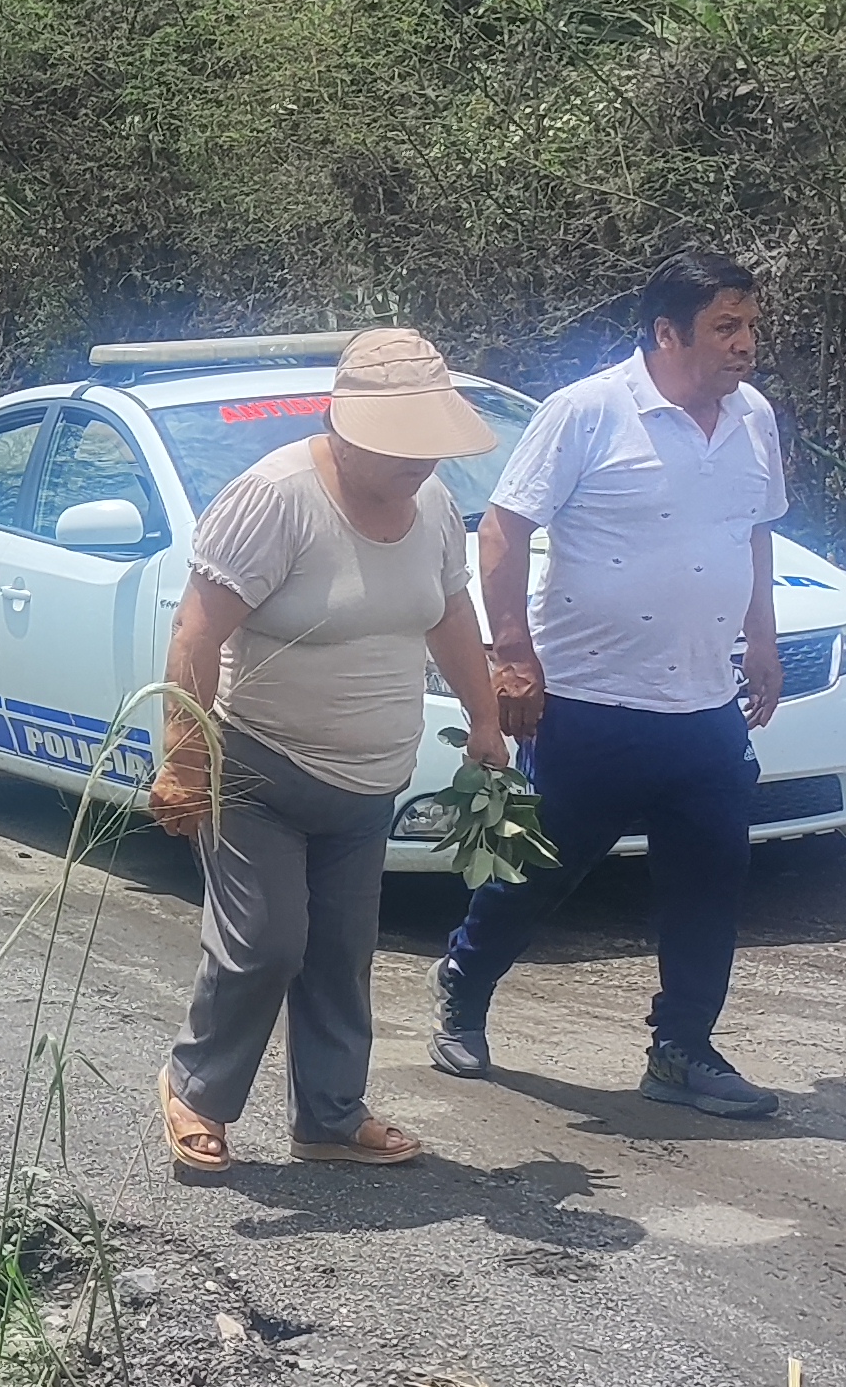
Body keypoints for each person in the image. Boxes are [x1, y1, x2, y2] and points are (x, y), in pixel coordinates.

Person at [428, 251, 790, 1119]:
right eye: (725, 327)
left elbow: (756, 533)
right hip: (589, 705)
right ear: (667, 332)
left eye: (750, 325)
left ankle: (683, 1049)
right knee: (536, 874)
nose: (745, 344)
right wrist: (513, 655)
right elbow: (504, 531)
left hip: (704, 707)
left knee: (709, 886)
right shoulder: (586, 411)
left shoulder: (754, 418)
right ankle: (464, 984)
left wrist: (763, 640)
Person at [148, 328, 513, 1175]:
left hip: (369, 780)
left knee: (343, 954)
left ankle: (330, 1118)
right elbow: (196, 633)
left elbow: (450, 612)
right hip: (258, 765)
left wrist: (485, 718)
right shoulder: (276, 499)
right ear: (344, 425)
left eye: (430, 441)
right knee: (267, 942)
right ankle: (196, 1089)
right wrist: (185, 759)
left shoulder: (432, 506)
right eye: (401, 441)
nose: (420, 460)